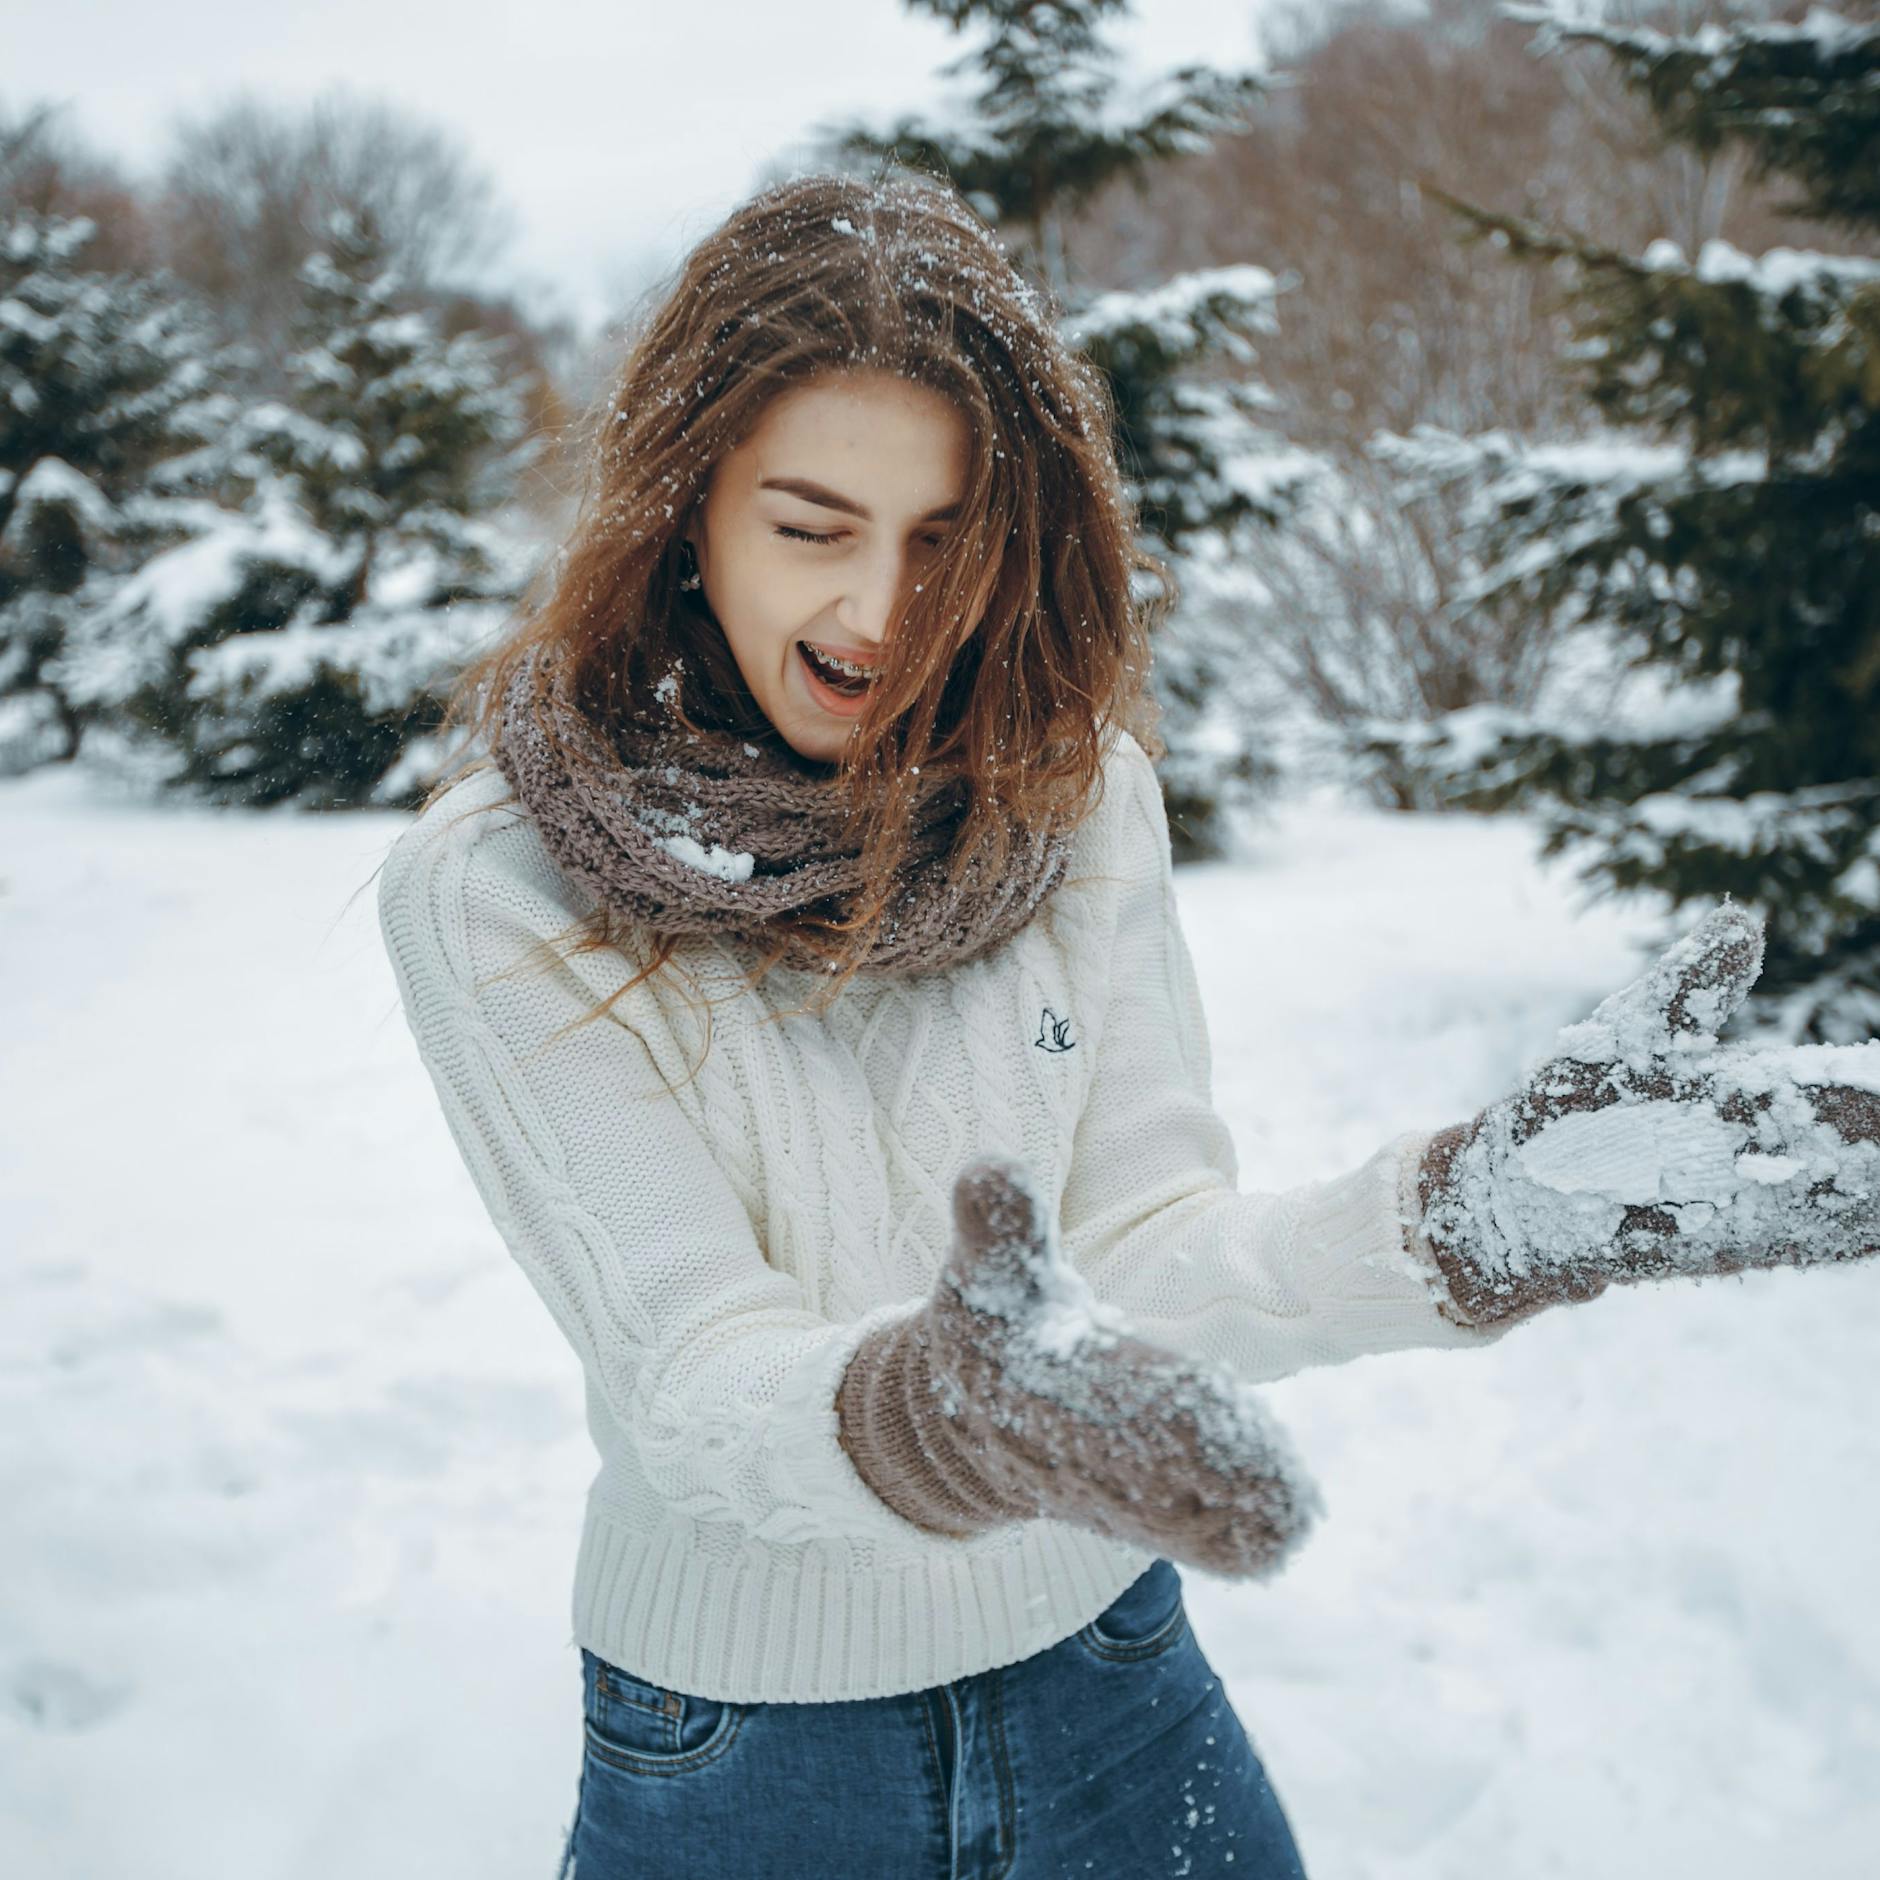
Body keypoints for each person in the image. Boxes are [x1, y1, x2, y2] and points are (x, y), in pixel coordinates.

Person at [374, 170, 1879, 1879]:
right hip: (749, 1753)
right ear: (684, 512)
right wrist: (935, 1413)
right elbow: (688, 1372)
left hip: (1109, 1675)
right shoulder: (502, 886)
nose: (881, 613)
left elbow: (1150, 1243)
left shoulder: (1071, 805)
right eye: (810, 528)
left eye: (946, 543)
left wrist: (1462, 1224)